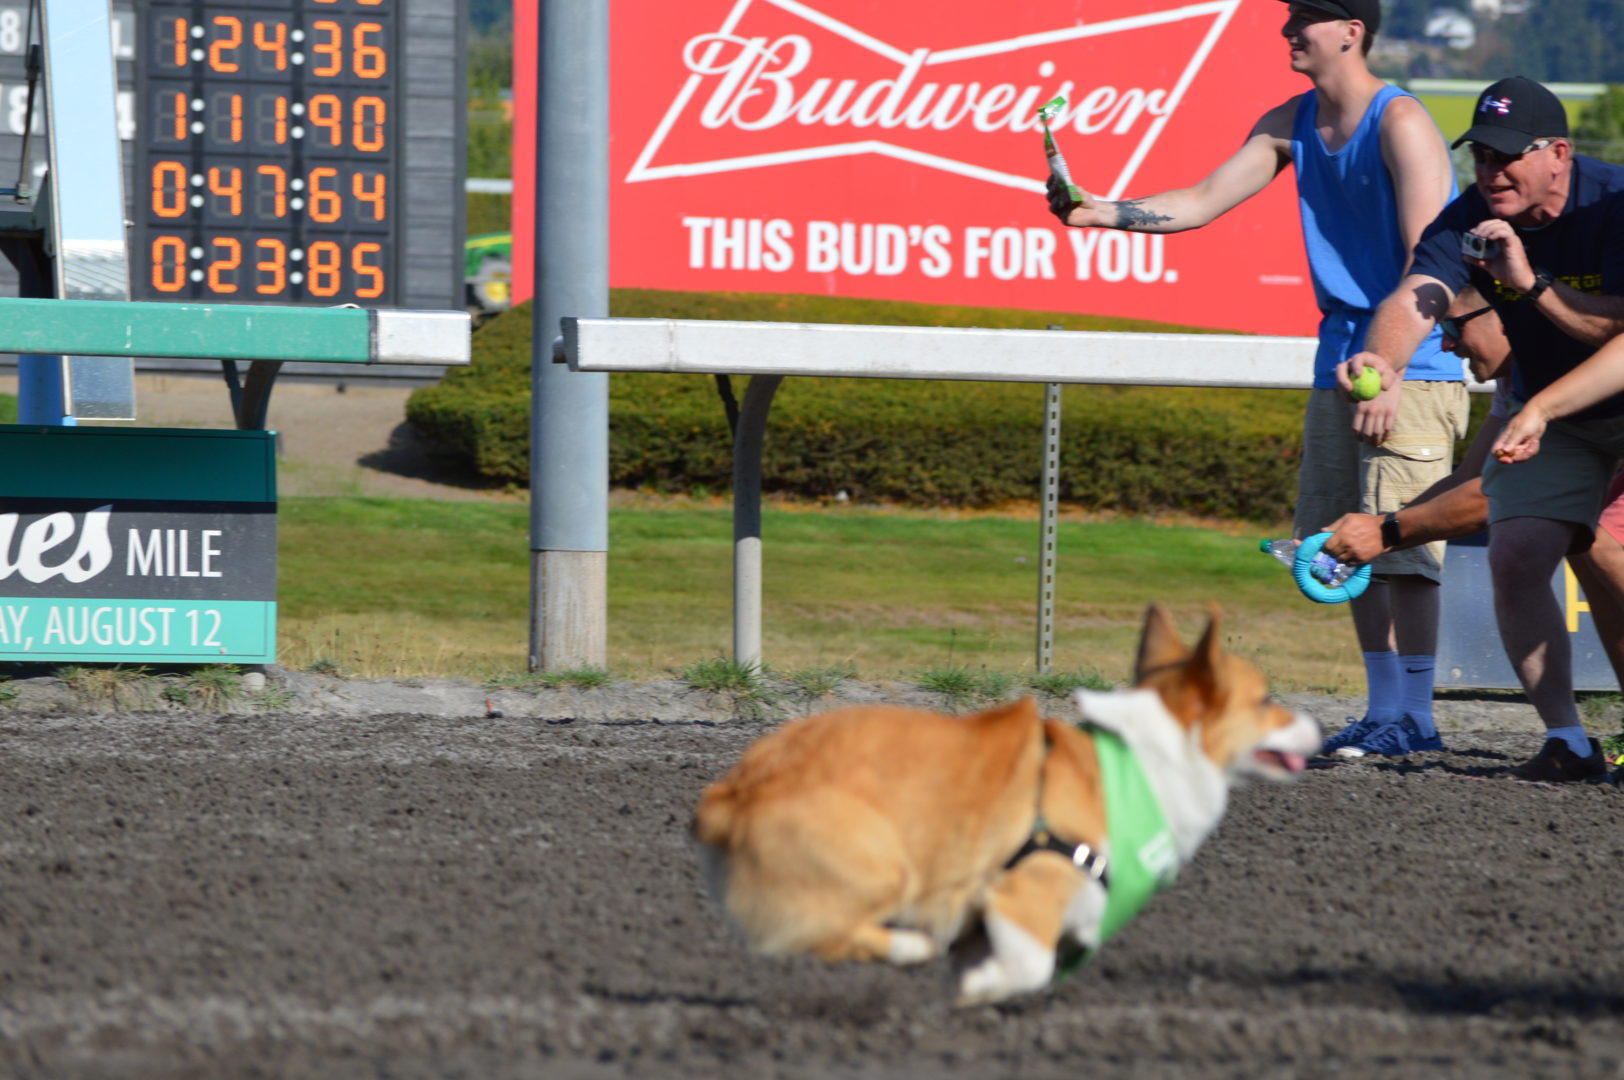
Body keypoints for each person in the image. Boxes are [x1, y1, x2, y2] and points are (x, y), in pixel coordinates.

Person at [1045, 0, 1464, 757]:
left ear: (1352, 32)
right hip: (1339, 360)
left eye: (1306, 17)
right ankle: (1384, 711)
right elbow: (1201, 201)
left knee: (1402, 552)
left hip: (1413, 362)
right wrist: (1100, 213)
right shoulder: (1289, 121)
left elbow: (1428, 261)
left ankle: (1418, 718)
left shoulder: (1402, 122)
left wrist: (1394, 364)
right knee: (1343, 546)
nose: (1288, 30)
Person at [1336, 76, 1624, 782]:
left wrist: (1529, 286)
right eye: (1481, 156)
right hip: (1562, 416)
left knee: (1607, 554)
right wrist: (1384, 358)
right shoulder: (1470, 218)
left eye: (1506, 157)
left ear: (1558, 154)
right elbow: (1420, 293)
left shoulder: (1614, 204)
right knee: (1517, 555)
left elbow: (1616, 331)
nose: (1490, 172)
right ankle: (1569, 742)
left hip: (1587, 399)